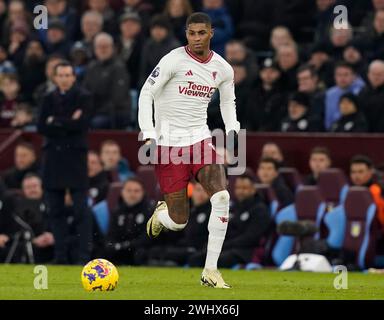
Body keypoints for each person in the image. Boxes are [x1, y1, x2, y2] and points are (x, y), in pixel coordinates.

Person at [138, 12, 240, 288]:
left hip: (200, 139)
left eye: (201, 33)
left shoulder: (223, 68)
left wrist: (233, 129)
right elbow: (146, 93)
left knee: (221, 196)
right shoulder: (172, 60)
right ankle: (164, 214)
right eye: (191, 33)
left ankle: (210, 271)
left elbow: (227, 103)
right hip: (169, 145)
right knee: (178, 221)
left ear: (211, 33)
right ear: (186, 34)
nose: (196, 38)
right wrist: (148, 133)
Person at [37, 61, 93, 264]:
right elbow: (41, 126)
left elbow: (83, 124)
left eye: (68, 75)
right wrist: (69, 121)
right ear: (55, 78)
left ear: (73, 77)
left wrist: (56, 121)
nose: (64, 79)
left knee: (81, 210)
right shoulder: (47, 97)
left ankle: (83, 256)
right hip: (53, 159)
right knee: (55, 210)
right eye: (60, 75)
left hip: (75, 159)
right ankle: (60, 256)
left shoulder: (83, 96)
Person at [83, 32, 131, 129]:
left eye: (106, 47)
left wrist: (95, 111)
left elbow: (118, 98)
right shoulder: (92, 67)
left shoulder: (119, 67)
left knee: (95, 123)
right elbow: (85, 91)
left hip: (116, 112)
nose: (102, 50)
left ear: (112, 48)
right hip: (95, 111)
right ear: (95, 49)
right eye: (99, 47)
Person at [103, 178, 154, 265]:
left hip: (139, 250)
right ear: (122, 192)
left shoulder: (150, 211)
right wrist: (113, 245)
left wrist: (127, 245)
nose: (132, 194)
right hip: (119, 249)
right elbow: (111, 234)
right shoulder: (117, 211)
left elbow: (147, 237)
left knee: (141, 253)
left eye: (136, 191)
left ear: (143, 193)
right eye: (129, 190)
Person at [358, 60, 384, 133]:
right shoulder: (363, 92)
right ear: (368, 75)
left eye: (379, 74)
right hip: (367, 134)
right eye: (373, 74)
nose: (376, 77)